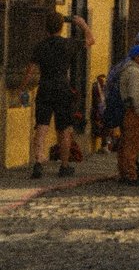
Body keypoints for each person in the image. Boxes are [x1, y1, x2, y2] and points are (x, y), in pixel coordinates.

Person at [18, 10, 94, 179]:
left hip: (45, 86)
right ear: (61, 27)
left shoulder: (40, 46)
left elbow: (30, 70)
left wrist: (23, 88)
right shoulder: (68, 44)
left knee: (42, 126)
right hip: (62, 87)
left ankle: (38, 162)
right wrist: (82, 24)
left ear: (46, 28)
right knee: (64, 128)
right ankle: (64, 165)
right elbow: (91, 40)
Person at [118, 43, 139, 185]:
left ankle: (126, 172)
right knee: (132, 145)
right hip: (135, 112)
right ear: (138, 57)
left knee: (127, 144)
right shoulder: (134, 72)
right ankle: (130, 175)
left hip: (131, 111)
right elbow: (134, 94)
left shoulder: (131, 70)